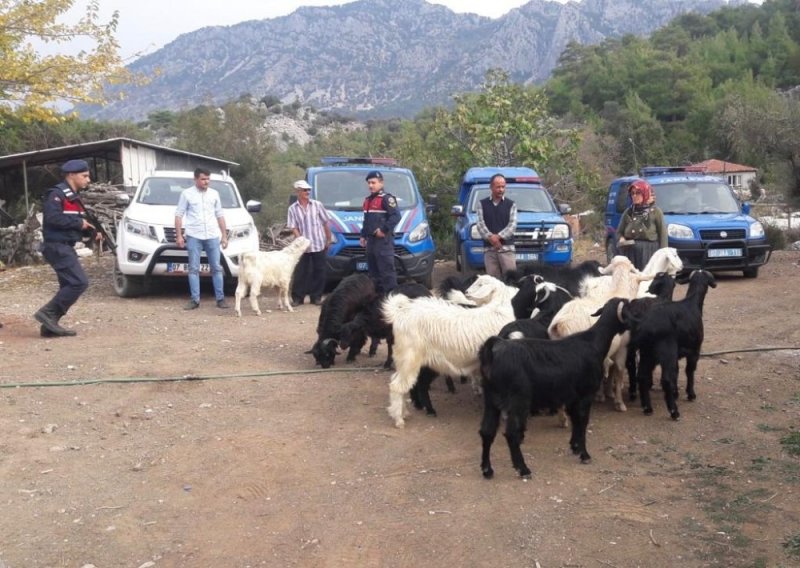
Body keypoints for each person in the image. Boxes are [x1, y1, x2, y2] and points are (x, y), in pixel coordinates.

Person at [33, 159, 98, 337]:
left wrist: (89, 231)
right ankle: (47, 313)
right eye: (84, 176)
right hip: (57, 246)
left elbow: (70, 223)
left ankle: (49, 326)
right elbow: (52, 218)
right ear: (71, 175)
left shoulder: (73, 197)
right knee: (78, 282)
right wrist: (79, 223)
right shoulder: (57, 194)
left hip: (65, 245)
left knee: (68, 285)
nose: (88, 180)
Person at [175, 167, 229, 310]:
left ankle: (220, 298)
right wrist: (179, 235)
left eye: (208, 179)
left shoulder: (214, 194)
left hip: (212, 235)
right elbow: (179, 215)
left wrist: (224, 236)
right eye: (203, 179)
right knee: (193, 268)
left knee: (216, 267)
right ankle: (195, 299)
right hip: (194, 235)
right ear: (196, 179)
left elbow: (220, 215)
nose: (206, 182)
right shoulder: (187, 194)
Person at [287, 179, 332, 306]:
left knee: (319, 270)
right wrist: (300, 240)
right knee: (301, 271)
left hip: (318, 242)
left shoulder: (317, 205)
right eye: (305, 190)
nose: (307, 192)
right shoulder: (292, 209)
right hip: (303, 246)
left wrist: (328, 239)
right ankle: (298, 298)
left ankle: (316, 297)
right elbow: (293, 226)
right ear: (298, 191)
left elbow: (325, 222)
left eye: (308, 190)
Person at [359, 170, 400, 293]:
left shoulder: (386, 198)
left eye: (373, 182)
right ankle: (377, 300)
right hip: (371, 242)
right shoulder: (367, 200)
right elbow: (366, 220)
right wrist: (363, 235)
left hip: (383, 242)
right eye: (369, 183)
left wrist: (383, 230)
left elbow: (396, 216)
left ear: (381, 183)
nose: (370, 185)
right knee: (373, 275)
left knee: (387, 274)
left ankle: (392, 299)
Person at [616, 179, 667, 270]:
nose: (634, 196)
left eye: (638, 193)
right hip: (630, 252)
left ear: (645, 193)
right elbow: (619, 232)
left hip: (648, 252)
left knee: (646, 277)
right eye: (632, 193)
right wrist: (621, 238)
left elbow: (663, 235)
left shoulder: (655, 212)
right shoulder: (629, 212)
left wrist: (663, 256)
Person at [476, 173, 518, 279]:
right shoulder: (482, 204)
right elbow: (480, 224)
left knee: (511, 281)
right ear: (491, 187)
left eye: (503, 187)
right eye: (498, 187)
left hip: (507, 249)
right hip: (489, 250)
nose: (501, 189)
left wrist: (498, 237)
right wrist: (491, 238)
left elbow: (512, 225)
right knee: (493, 282)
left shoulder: (511, 204)